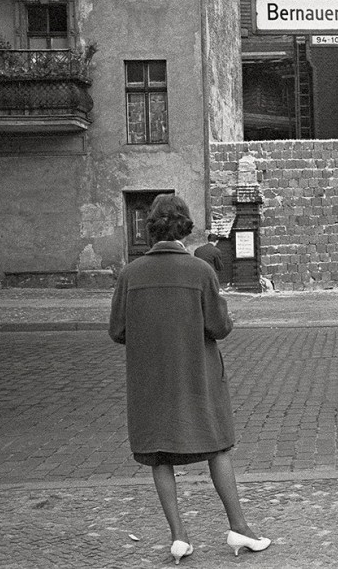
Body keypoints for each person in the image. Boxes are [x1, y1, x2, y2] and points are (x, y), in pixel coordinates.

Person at [109, 194, 269, 565]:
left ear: (151, 229)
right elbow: (217, 326)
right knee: (217, 446)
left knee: (159, 454)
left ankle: (179, 537)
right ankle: (239, 527)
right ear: (185, 227)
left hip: (149, 378)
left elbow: (117, 330)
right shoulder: (200, 271)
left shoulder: (130, 274)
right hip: (196, 374)